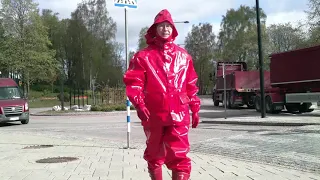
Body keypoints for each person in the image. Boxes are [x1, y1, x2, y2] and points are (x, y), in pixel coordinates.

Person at [123, 9, 201, 180]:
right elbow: (134, 83)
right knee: (154, 153)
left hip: (179, 113)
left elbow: (191, 84)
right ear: (155, 29)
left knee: (179, 155)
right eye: (162, 26)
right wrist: (140, 104)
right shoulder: (143, 57)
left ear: (173, 29)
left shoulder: (184, 57)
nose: (165, 29)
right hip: (154, 112)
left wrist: (195, 108)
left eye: (168, 26)